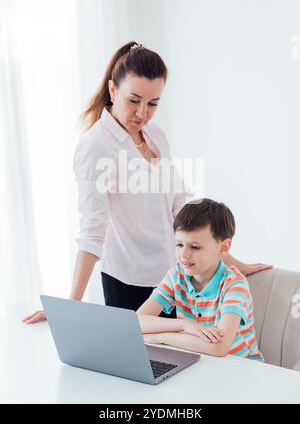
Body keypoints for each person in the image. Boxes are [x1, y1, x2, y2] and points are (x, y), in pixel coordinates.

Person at [22, 41, 272, 325]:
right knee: (139, 363)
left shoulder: (155, 136)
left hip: (174, 277)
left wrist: (232, 262)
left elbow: (182, 206)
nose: (142, 113)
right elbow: (93, 228)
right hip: (129, 282)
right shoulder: (97, 147)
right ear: (113, 90)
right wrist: (70, 306)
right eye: (134, 100)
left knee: (180, 363)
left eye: (153, 103)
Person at [137, 198, 264, 360]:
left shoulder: (234, 284)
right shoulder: (176, 276)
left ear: (223, 247)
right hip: (198, 361)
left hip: (241, 368)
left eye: (195, 247)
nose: (184, 255)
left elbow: (219, 347)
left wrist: (160, 338)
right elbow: (137, 322)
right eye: (179, 245)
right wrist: (184, 325)